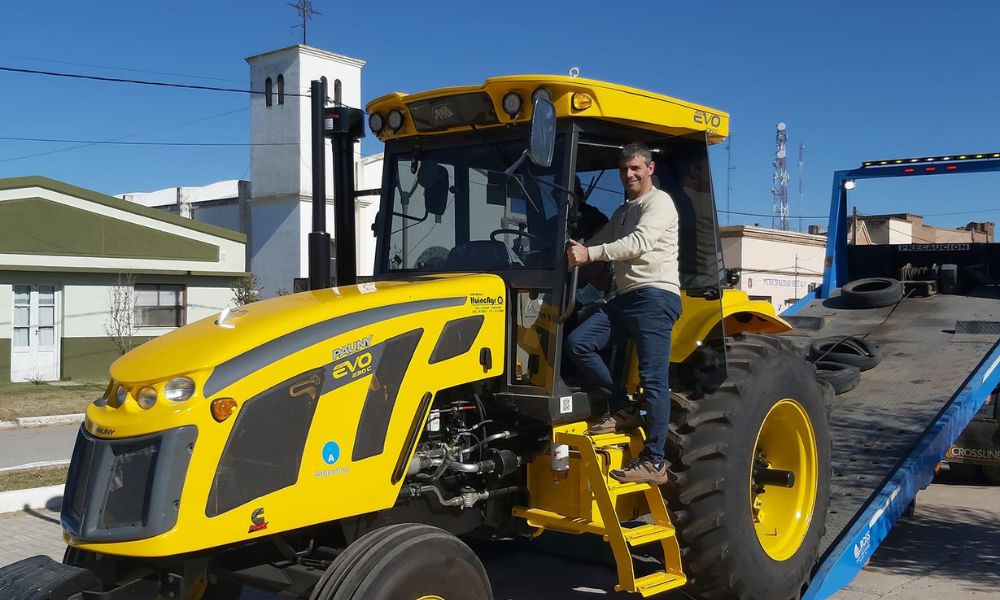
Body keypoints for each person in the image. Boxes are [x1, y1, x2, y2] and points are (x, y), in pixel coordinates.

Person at [564, 142, 682, 485]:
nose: (629, 174)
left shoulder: (659, 203)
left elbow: (638, 243)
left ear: (650, 169)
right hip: (626, 298)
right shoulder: (624, 210)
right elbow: (599, 238)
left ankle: (655, 462)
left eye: (635, 168)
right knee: (578, 343)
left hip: (655, 296)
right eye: (624, 170)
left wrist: (591, 253)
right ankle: (623, 406)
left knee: (654, 380)